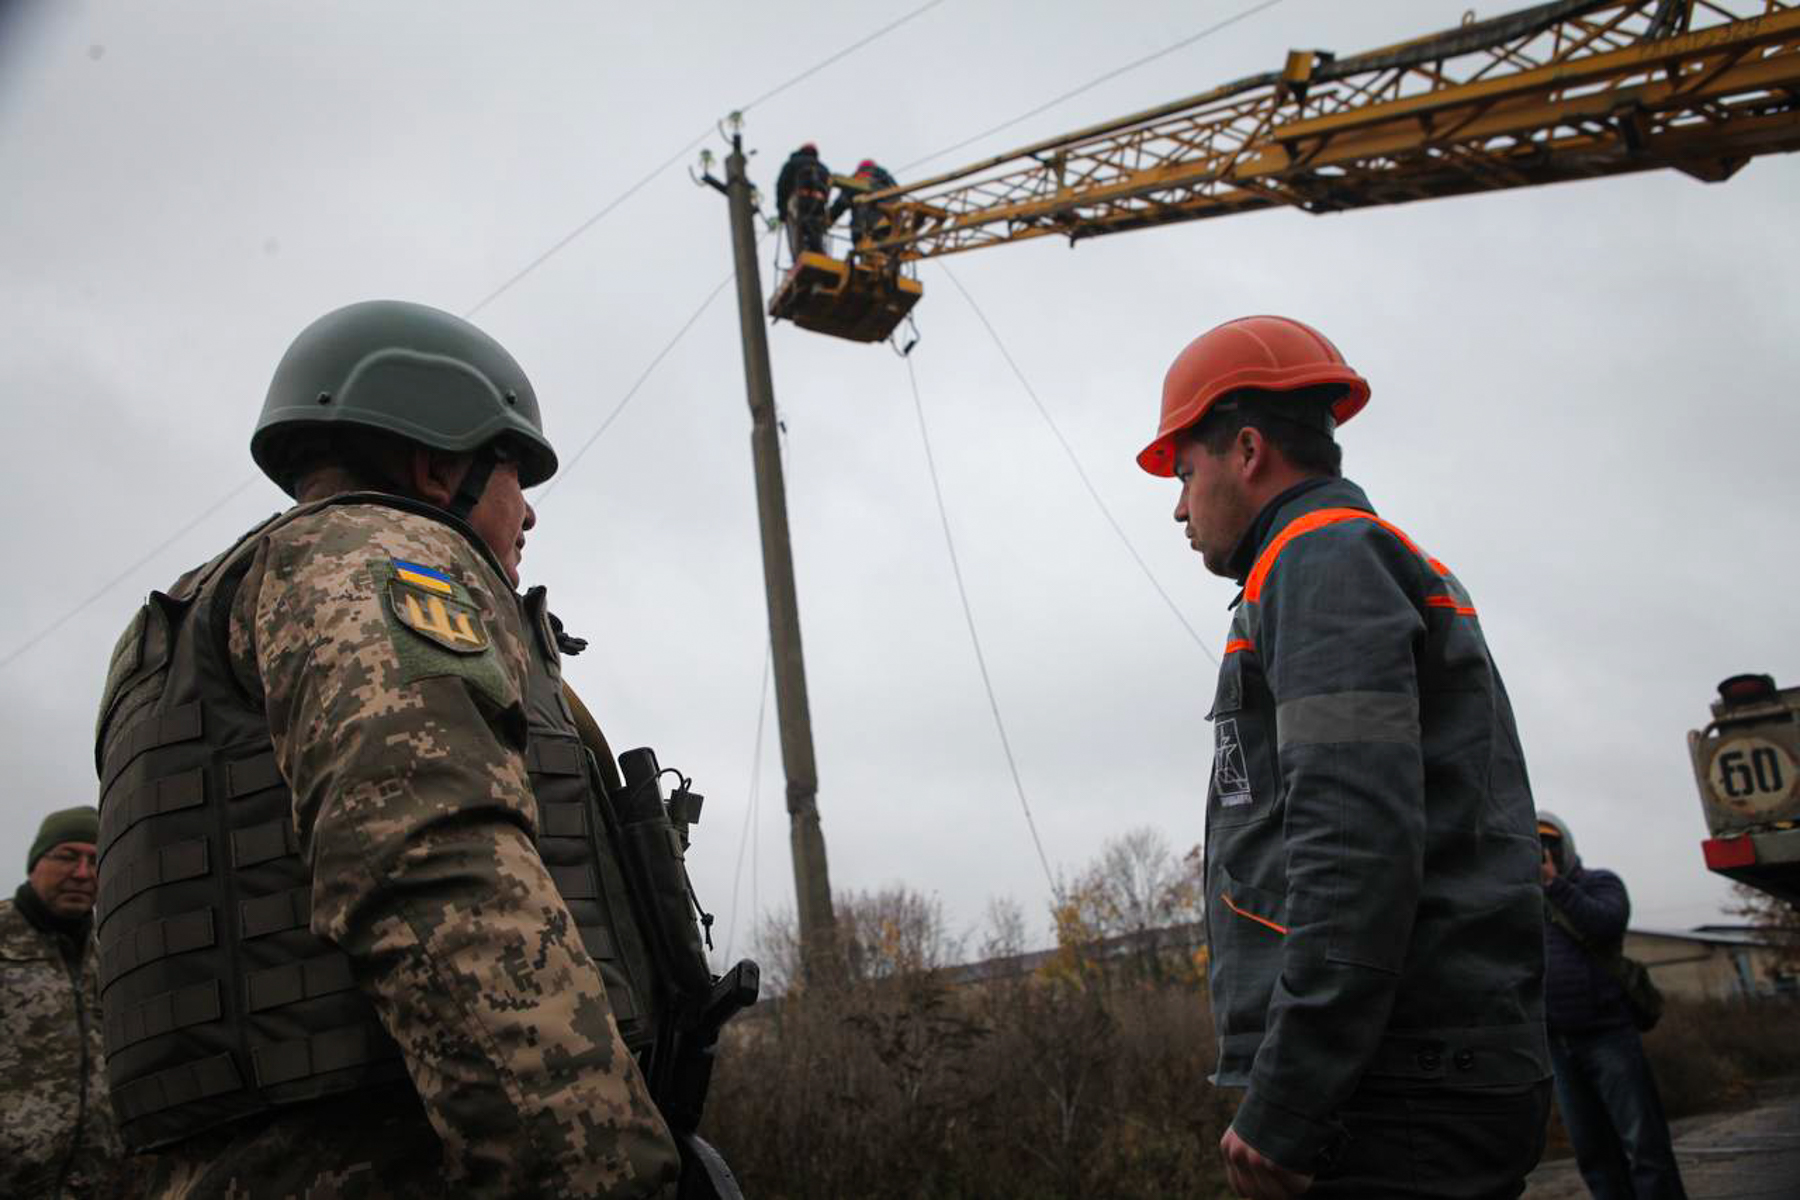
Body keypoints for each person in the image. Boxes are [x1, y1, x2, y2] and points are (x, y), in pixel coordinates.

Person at [92, 300, 735, 1198]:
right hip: (402, 1161)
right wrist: (602, 1171)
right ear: (441, 466)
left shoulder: (181, 635)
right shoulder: (373, 555)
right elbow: (432, 861)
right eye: (517, 472)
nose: (530, 515)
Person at [1138, 315, 1552, 1198]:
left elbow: (1352, 844)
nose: (1177, 506)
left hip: (1395, 1088)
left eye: (1185, 472)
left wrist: (1292, 1092)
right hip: (1410, 1070)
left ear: (1246, 450)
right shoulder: (1339, 561)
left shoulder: (1319, 562)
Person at [1538, 812, 1687, 1199]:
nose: (1542, 854)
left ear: (1563, 846)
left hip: (1608, 1034)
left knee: (1644, 1145)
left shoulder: (1599, 883)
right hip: (1558, 1044)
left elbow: (1607, 923)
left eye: (1549, 844)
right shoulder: (1526, 904)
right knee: (1592, 1152)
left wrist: (1554, 885)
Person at [0, 806, 123, 1198]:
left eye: (95, 859)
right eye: (67, 857)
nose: (82, 873)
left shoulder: (112, 961)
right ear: (36, 862)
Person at [775, 142, 832, 259]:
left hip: (798, 199)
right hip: (818, 201)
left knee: (795, 227)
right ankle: (818, 252)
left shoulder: (791, 164)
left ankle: (798, 256)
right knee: (816, 227)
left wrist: (782, 210)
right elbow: (828, 189)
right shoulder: (824, 169)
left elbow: (782, 186)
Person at [829, 158, 898, 250]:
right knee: (886, 256)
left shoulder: (855, 180)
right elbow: (898, 198)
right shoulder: (887, 181)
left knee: (866, 255)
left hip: (861, 230)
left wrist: (828, 219)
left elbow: (840, 204)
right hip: (888, 227)